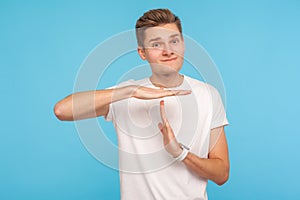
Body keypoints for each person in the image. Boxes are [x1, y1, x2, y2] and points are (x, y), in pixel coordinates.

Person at [54, 8, 229, 200]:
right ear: (142, 53)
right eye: (156, 44)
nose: (168, 51)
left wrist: (180, 154)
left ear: (183, 44)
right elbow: (62, 110)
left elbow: (221, 174)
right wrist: (130, 91)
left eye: (174, 41)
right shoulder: (124, 96)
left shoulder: (208, 95)